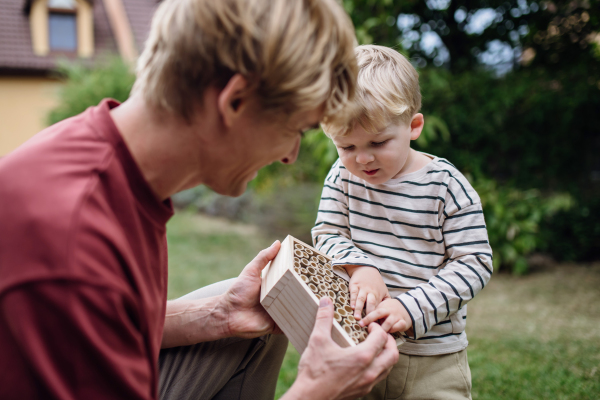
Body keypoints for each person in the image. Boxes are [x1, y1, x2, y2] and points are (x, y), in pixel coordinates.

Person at [0, 1, 401, 399]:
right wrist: (315, 393)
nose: (289, 155)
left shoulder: (110, 162)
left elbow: (116, 319)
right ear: (235, 101)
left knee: (255, 318)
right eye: (295, 128)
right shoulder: (73, 241)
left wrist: (219, 316)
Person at [311, 45, 494, 399]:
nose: (362, 158)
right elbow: (327, 232)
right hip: (359, 344)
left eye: (378, 142)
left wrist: (411, 307)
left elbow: (474, 262)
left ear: (414, 126)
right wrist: (359, 267)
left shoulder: (446, 185)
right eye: (346, 146)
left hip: (432, 357)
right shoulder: (343, 177)